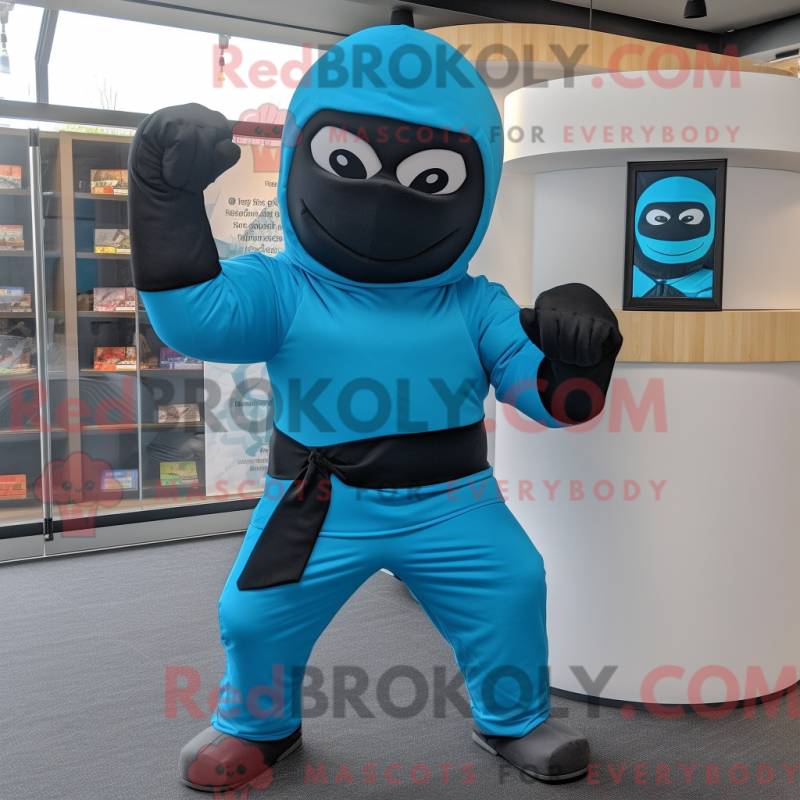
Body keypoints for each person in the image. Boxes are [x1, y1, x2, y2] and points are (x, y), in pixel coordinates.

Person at [128, 15, 622, 792]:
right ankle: (259, 724)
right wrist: (164, 197)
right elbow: (194, 319)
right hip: (318, 499)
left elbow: (556, 403)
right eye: (347, 162)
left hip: (456, 502)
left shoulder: (477, 304)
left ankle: (514, 719)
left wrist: (581, 353)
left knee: (513, 586)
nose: (384, 195)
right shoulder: (283, 287)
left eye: (430, 176)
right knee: (255, 614)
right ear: (304, 155)